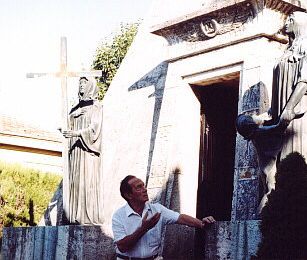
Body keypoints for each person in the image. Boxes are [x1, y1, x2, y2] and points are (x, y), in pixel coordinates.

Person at [269, 11, 307, 202]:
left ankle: (300, 202)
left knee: (295, 150)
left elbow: (305, 80)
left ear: (300, 25)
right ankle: (282, 202)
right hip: (282, 111)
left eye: (291, 20)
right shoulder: (288, 50)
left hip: (297, 111)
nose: (286, 23)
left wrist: (288, 109)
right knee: (282, 155)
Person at [112, 175, 215, 260]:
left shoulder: (157, 210)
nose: (145, 190)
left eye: (144, 186)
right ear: (129, 195)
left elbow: (181, 218)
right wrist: (144, 228)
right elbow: (122, 247)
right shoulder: (119, 216)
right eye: (139, 187)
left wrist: (201, 223)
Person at [61, 77, 104, 225]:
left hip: (87, 151)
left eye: (84, 83)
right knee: (75, 183)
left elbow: (95, 129)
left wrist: (77, 133)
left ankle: (86, 216)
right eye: (80, 83)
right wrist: (67, 128)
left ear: (91, 85)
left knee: (87, 182)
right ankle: (72, 216)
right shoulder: (74, 109)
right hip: (75, 152)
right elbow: (68, 126)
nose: (81, 85)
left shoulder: (96, 107)